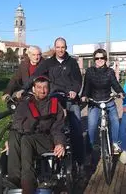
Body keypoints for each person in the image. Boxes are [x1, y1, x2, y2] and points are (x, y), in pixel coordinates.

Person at [16, 37, 85, 168]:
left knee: (76, 126)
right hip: (55, 95)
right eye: (58, 47)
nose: (60, 50)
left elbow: (78, 80)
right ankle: (52, 153)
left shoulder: (72, 63)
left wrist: (75, 91)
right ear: (55, 48)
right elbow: (35, 76)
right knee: (50, 122)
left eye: (63, 47)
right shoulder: (49, 63)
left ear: (66, 47)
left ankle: (79, 160)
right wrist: (23, 89)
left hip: (70, 97)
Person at [7, 76, 65, 194]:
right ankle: (14, 178)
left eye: (45, 87)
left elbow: (58, 128)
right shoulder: (25, 103)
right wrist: (10, 139)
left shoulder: (54, 104)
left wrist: (60, 143)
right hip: (27, 135)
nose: (42, 90)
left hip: (45, 138)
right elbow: (17, 122)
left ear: (49, 89)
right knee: (14, 135)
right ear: (33, 89)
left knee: (26, 140)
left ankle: (28, 184)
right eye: (39, 87)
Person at [81, 48, 124, 154]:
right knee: (91, 125)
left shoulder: (110, 71)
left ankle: (115, 143)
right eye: (97, 58)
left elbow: (115, 84)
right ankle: (90, 149)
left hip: (108, 100)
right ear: (94, 59)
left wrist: (120, 92)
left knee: (115, 120)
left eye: (102, 58)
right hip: (94, 102)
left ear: (105, 59)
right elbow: (86, 86)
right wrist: (84, 96)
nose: (99, 60)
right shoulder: (90, 71)